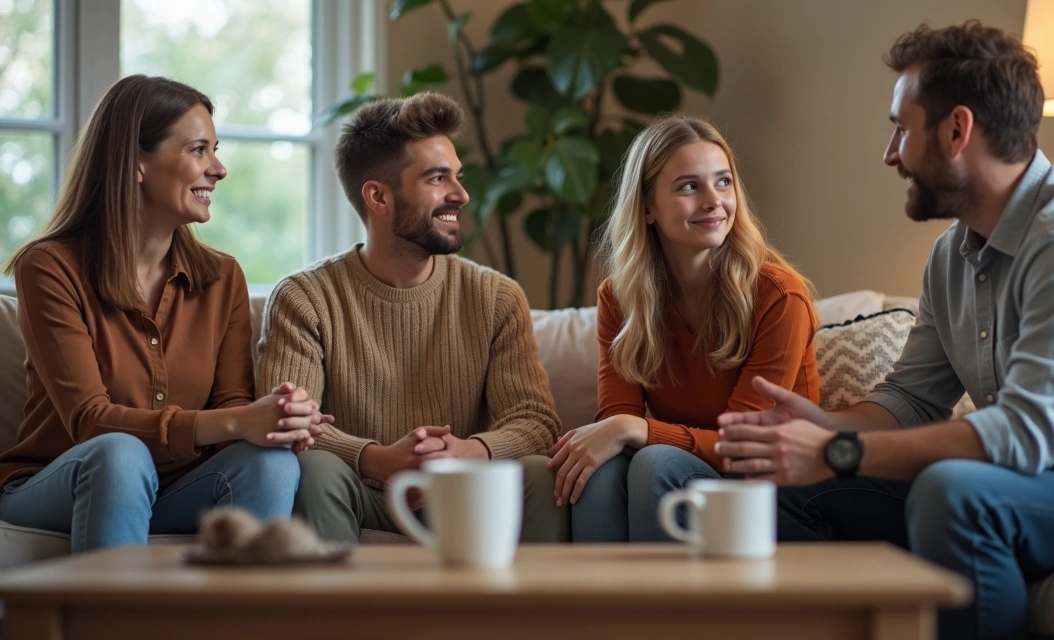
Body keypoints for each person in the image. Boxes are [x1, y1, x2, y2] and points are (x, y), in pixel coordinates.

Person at [715, 21, 1054, 640]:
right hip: (1037, 487)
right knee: (770, 489)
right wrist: (821, 429)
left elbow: (1023, 435)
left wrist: (838, 454)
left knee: (956, 494)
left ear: (957, 130)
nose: (890, 153)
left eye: (901, 128)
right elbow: (911, 399)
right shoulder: (952, 255)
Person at [0, 75, 324, 553]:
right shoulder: (49, 267)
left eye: (215, 149)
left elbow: (232, 407)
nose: (219, 168)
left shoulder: (222, 277)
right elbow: (90, 421)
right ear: (136, 164)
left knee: (272, 463)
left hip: (178, 489)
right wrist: (237, 423)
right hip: (60, 482)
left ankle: (245, 623)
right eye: (198, 150)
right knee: (120, 455)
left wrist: (276, 420)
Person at [258, 92, 566, 543]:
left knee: (539, 472)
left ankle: (533, 616)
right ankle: (330, 611)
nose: (460, 195)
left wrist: (468, 451)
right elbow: (287, 424)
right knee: (316, 467)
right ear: (378, 197)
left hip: (466, 493)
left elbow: (536, 421)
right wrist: (379, 458)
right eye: (437, 178)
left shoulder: (496, 297)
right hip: (360, 491)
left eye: (457, 177)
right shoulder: (304, 298)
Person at [551, 115, 820, 542]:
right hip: (694, 479)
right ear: (647, 207)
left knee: (655, 461)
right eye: (689, 186)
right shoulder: (619, 298)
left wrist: (634, 429)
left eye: (724, 182)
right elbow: (616, 419)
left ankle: (667, 608)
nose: (714, 201)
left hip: (779, 495)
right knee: (600, 469)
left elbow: (745, 447)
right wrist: (623, 429)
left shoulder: (778, 295)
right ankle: (601, 606)